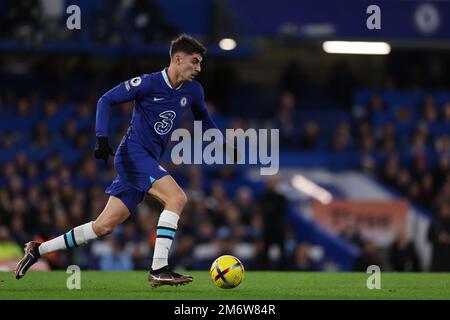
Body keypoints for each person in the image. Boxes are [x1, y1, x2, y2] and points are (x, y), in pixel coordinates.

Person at [15, 34, 237, 287]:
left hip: (147, 159)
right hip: (133, 154)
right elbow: (105, 99)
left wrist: (222, 143)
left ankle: (38, 249)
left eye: (200, 63)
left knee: (103, 227)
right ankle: (159, 268)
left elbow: (204, 119)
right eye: (194, 61)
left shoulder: (194, 90)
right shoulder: (148, 83)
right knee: (177, 198)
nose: (199, 68)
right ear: (178, 59)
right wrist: (101, 138)